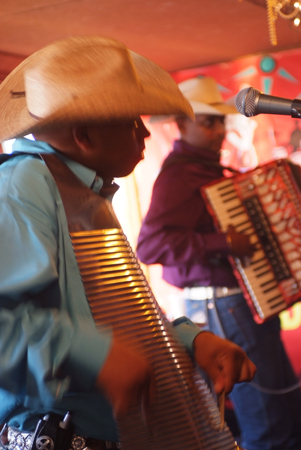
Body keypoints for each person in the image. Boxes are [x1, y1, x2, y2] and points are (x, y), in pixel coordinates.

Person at [0, 38, 256, 450]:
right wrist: (92, 355)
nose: (145, 131)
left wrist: (192, 342)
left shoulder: (86, 191)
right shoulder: (22, 186)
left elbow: (111, 323)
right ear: (84, 134)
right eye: (130, 120)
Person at [137, 76, 301, 450]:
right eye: (206, 121)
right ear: (181, 125)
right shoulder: (179, 174)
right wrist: (224, 242)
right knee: (268, 425)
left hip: (242, 303)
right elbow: (150, 246)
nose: (216, 131)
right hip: (221, 305)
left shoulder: (209, 171)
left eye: (219, 121)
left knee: (286, 414)